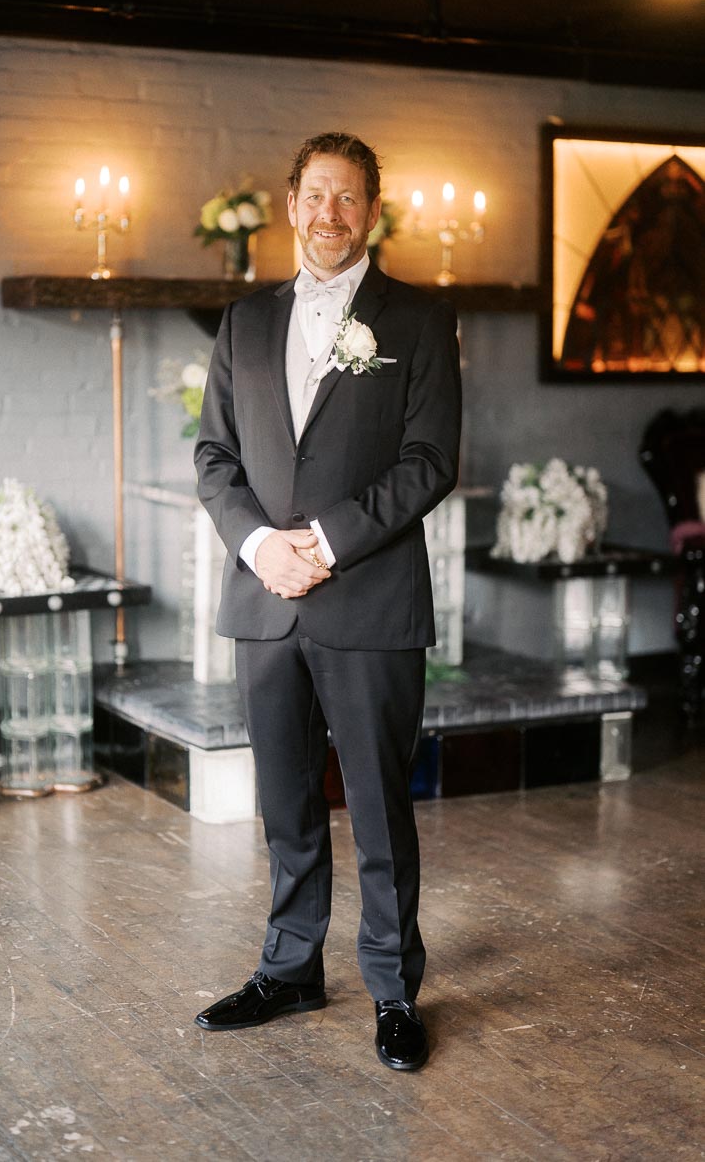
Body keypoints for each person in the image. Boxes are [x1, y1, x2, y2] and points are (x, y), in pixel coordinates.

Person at [193, 131, 461, 1071]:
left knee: (381, 804)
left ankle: (392, 988)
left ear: (371, 210)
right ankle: (289, 966)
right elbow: (214, 458)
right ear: (291, 202)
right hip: (267, 598)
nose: (329, 214)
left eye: (347, 198)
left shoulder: (419, 323)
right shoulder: (242, 322)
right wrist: (263, 545)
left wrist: (332, 539)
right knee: (285, 801)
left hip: (370, 600)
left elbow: (432, 461)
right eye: (315, 195)